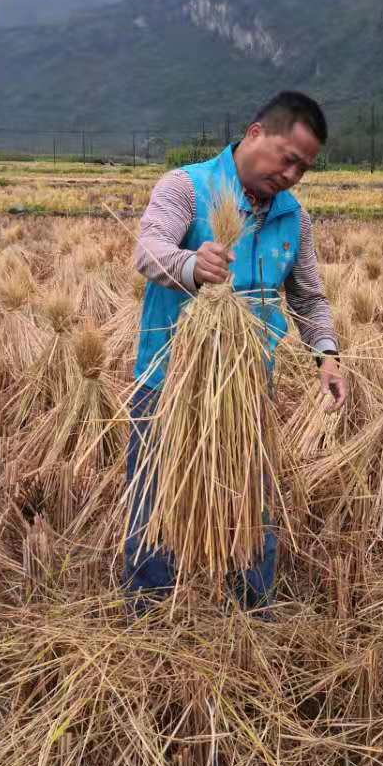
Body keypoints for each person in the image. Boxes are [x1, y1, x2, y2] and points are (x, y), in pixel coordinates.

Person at [125, 91, 346, 608]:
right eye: (286, 158)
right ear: (254, 134)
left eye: (303, 169)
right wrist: (190, 265)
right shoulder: (187, 187)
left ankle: (252, 608)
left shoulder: (294, 217)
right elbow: (149, 248)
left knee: (253, 499)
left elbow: (309, 295)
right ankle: (147, 614)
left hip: (248, 384)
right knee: (157, 498)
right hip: (171, 384)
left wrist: (327, 355)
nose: (291, 175)